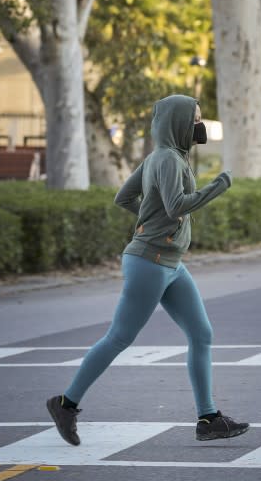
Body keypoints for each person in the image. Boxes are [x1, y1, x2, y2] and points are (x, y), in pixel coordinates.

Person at [47, 94, 249, 445]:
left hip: (169, 262)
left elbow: (124, 198)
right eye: (195, 119)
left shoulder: (162, 157)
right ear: (179, 123)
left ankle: (209, 418)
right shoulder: (168, 160)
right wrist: (216, 187)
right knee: (119, 337)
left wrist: (146, 221)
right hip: (150, 263)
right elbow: (175, 207)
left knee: (201, 334)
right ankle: (65, 403)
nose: (198, 126)